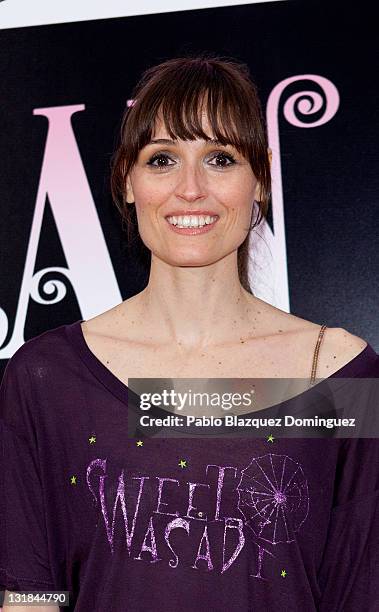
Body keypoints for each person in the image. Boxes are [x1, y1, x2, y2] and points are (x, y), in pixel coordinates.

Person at [1, 54, 378, 612]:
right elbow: (34, 598)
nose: (191, 189)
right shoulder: (45, 376)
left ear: (260, 181)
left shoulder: (340, 375)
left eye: (221, 158)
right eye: (162, 160)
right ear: (127, 181)